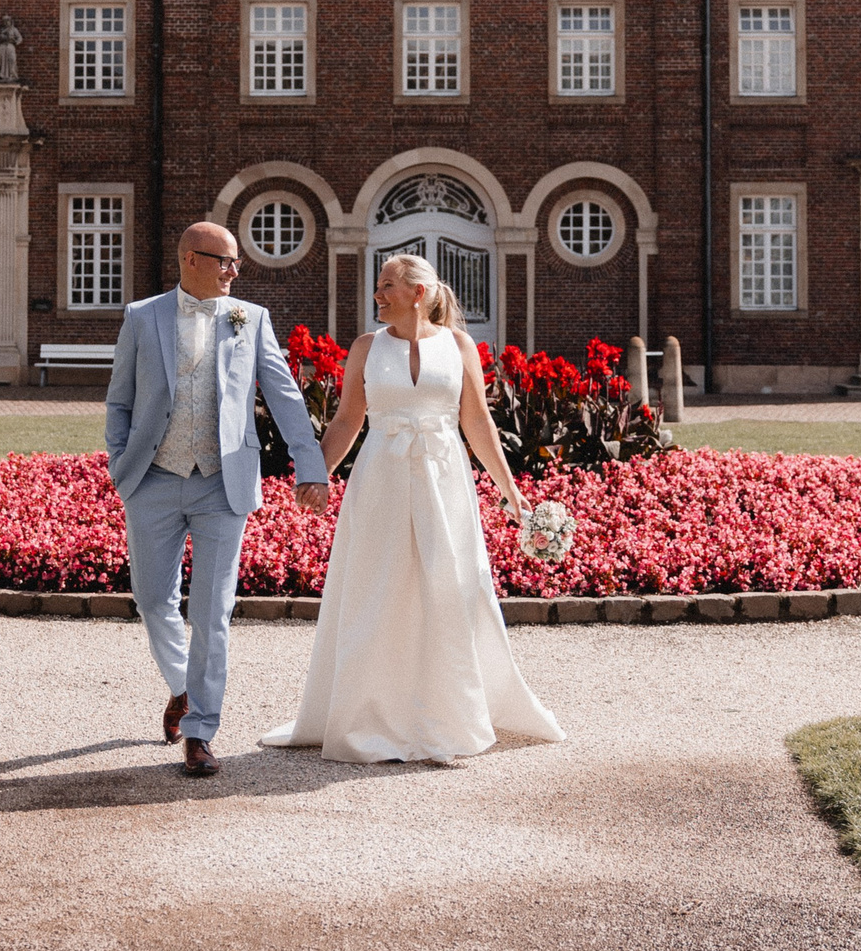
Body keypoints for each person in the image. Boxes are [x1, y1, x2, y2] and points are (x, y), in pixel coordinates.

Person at [260, 254, 564, 763]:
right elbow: (347, 421)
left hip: (445, 482)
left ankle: (446, 717)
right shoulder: (366, 348)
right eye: (379, 286)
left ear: (418, 292)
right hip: (381, 479)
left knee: (448, 588)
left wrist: (512, 494)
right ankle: (368, 718)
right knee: (378, 589)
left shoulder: (460, 345)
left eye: (387, 286)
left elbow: (479, 426)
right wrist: (317, 474)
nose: (377, 295)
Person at [105, 221, 330, 777]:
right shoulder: (142, 316)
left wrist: (312, 464)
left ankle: (201, 731)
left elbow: (284, 396)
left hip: (222, 483)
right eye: (224, 261)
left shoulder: (250, 320)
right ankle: (184, 687)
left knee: (212, 611)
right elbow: (120, 400)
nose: (234, 272)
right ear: (190, 259)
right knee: (153, 599)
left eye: (235, 263)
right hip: (152, 480)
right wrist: (120, 463)